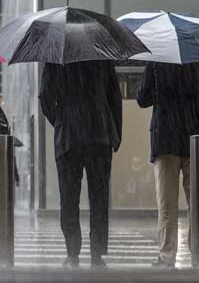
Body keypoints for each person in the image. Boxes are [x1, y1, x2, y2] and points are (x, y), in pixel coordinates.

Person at [39, 61, 122, 269]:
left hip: (69, 138)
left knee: (69, 198)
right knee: (99, 198)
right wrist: (116, 134)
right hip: (99, 135)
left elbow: (45, 98)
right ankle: (97, 254)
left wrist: (61, 120)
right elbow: (115, 98)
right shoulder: (102, 59)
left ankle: (72, 253)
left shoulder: (56, 59)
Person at [137, 62, 199, 268]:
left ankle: (167, 256)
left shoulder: (157, 62)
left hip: (166, 140)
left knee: (167, 205)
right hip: (197, 143)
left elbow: (142, 99)